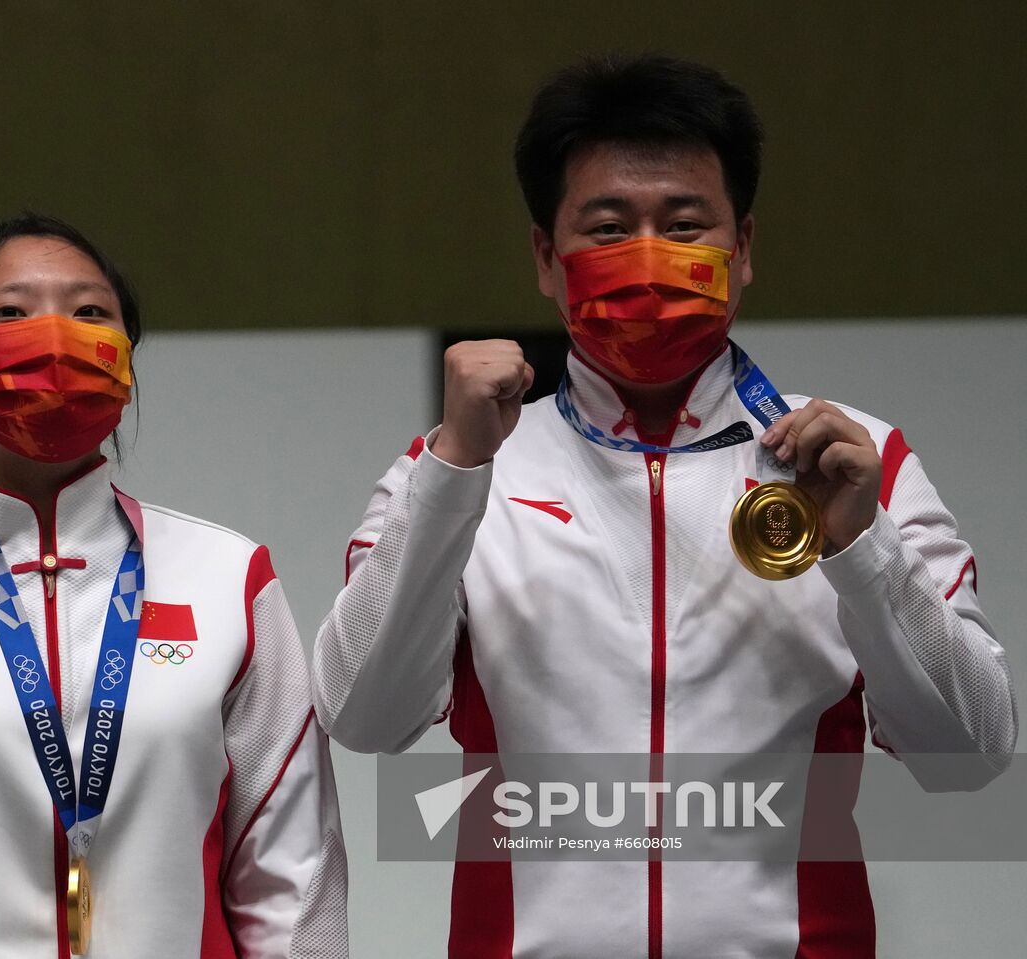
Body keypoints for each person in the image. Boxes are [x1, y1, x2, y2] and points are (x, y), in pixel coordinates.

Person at [311, 56, 1016, 957]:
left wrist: (862, 548)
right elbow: (363, 718)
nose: (647, 260)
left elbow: (973, 753)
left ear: (744, 247)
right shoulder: (454, 469)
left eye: (684, 225)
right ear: (545, 259)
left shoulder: (855, 461)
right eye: (607, 228)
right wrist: (452, 474)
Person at [0, 214, 348, 958]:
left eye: (88, 314)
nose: (54, 337)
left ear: (125, 361)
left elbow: (293, 879)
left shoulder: (231, 580)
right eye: (10, 313)